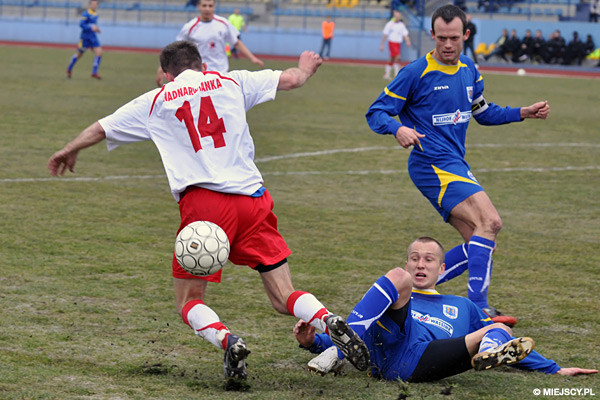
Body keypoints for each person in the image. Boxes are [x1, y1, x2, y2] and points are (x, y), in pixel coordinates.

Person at [48, 41, 369, 386]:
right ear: (202, 65)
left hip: (205, 206)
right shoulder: (233, 81)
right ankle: (325, 318)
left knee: (189, 299)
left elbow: (101, 127)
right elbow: (290, 79)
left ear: (166, 74)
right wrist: (306, 67)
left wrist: (69, 149)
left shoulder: (157, 99)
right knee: (282, 295)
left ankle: (228, 340)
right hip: (253, 200)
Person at [365, 4, 551, 327]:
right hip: (430, 163)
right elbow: (376, 112)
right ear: (433, 36)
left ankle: (407, 290)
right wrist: (397, 128)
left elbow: (483, 113)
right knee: (490, 221)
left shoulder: (469, 70)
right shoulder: (415, 72)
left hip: (453, 161)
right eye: (440, 38)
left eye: (453, 38)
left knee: (478, 242)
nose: (447, 45)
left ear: (465, 35)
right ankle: (478, 309)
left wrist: (523, 112)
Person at [294, 237, 598, 381]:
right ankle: (333, 350)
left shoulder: (461, 306)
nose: (419, 264)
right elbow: (358, 341)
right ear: (407, 262)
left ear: (442, 268)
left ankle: (486, 356)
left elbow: (514, 346)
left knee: (499, 329)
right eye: (414, 258)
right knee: (396, 283)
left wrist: (555, 368)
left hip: (429, 359)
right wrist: (312, 342)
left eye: (428, 260)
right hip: (391, 352)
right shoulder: (390, 297)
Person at [155, 0, 264, 86]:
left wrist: (252, 58)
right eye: (204, 5)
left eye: (210, 5)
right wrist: (163, 68)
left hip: (221, 73)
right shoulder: (190, 27)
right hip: (199, 73)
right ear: (199, 6)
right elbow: (176, 50)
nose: (207, 8)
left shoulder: (223, 24)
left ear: (214, 7)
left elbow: (236, 42)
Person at [66, 0, 103, 79]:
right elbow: (81, 24)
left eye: (96, 4)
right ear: (90, 5)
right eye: (93, 4)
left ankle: (94, 72)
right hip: (85, 38)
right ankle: (69, 68)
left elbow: (93, 25)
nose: (94, 6)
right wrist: (91, 28)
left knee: (99, 52)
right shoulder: (86, 13)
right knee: (79, 54)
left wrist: (97, 29)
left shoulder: (96, 14)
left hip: (93, 37)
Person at [380, 10, 412, 79]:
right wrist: (382, 44)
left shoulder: (401, 25)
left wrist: (408, 41)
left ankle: (387, 74)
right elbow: (385, 34)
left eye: (399, 16)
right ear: (394, 16)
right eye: (396, 16)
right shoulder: (390, 24)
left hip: (398, 43)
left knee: (392, 58)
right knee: (398, 57)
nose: (398, 17)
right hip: (392, 42)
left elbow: (405, 34)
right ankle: (396, 74)